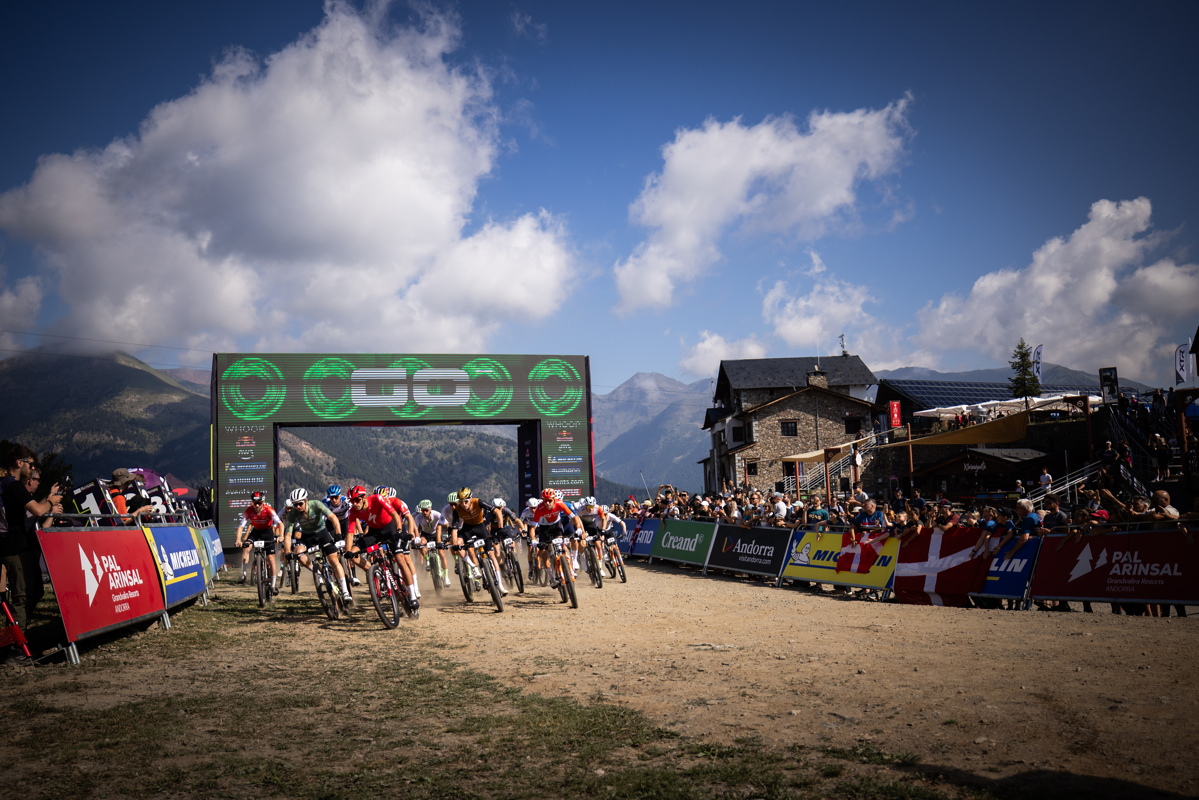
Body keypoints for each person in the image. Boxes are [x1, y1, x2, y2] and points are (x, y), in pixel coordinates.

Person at [1, 445, 63, 650]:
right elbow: (37, 510)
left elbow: (33, 508)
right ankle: (15, 648)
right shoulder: (12, 485)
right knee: (23, 596)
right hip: (15, 548)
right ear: (20, 463)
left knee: (35, 591)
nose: (32, 469)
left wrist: (48, 498)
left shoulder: (8, 485)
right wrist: (50, 502)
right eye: (31, 464)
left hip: (18, 546)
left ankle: (18, 636)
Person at [283, 488, 351, 603]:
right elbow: (288, 535)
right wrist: (288, 551)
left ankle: (345, 591)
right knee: (298, 554)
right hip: (307, 536)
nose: (298, 507)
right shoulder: (293, 514)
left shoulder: (316, 504)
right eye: (295, 505)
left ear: (306, 500)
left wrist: (338, 534)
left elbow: (333, 518)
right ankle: (318, 573)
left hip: (322, 532)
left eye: (300, 504)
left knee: (334, 561)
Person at [234, 491, 283, 588]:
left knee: (271, 559)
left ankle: (273, 585)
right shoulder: (249, 510)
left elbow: (280, 524)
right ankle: (243, 575)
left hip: (268, 533)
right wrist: (238, 540)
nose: (256, 505)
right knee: (246, 548)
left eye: (259, 503)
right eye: (254, 503)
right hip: (256, 532)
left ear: (263, 502)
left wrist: (281, 536)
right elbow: (241, 527)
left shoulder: (269, 510)